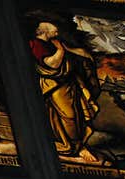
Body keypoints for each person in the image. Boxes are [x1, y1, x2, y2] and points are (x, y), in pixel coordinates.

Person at [29, 21, 100, 163]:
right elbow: (52, 64)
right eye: (54, 31)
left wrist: (84, 55)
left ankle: (78, 145)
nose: (57, 33)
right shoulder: (35, 44)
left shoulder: (53, 43)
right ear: (44, 31)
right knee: (69, 117)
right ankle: (73, 148)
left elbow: (73, 52)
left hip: (68, 85)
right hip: (54, 87)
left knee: (78, 115)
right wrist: (60, 51)